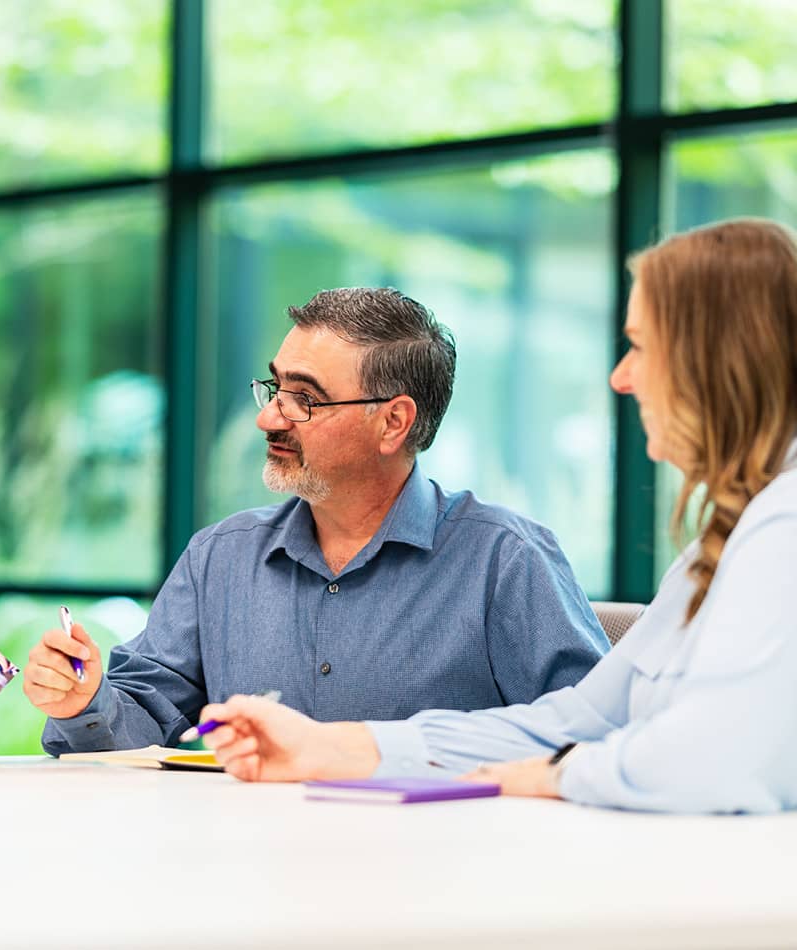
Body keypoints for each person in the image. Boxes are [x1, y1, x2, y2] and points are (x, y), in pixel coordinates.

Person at [199, 218, 797, 815]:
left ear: (716, 361)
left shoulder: (783, 528)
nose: (621, 377)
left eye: (640, 347)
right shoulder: (727, 542)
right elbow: (581, 717)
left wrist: (550, 777)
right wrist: (332, 745)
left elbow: (702, 761)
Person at [23, 287, 608, 755]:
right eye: (275, 387)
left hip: (440, 880)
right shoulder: (220, 558)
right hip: (248, 874)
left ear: (393, 423)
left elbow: (594, 733)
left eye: (304, 398)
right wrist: (83, 699)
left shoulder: (505, 559)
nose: (269, 419)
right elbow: (145, 718)